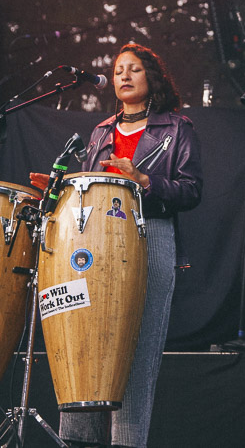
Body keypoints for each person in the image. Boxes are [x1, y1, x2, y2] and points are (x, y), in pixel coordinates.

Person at [32, 42, 202, 448]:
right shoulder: (101, 132)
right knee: (85, 338)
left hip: (150, 233)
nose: (124, 75)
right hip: (96, 242)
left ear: (152, 77)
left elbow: (191, 190)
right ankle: (78, 439)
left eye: (134, 69)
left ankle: (127, 441)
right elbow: (90, 192)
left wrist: (144, 181)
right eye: (118, 70)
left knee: (138, 351)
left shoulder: (177, 128)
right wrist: (58, 192)